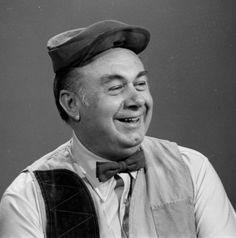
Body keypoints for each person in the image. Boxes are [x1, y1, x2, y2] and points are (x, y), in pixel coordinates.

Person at [0, 20, 235, 238]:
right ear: (72, 104)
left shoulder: (192, 170)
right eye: (116, 87)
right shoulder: (28, 197)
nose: (136, 100)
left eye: (140, 84)